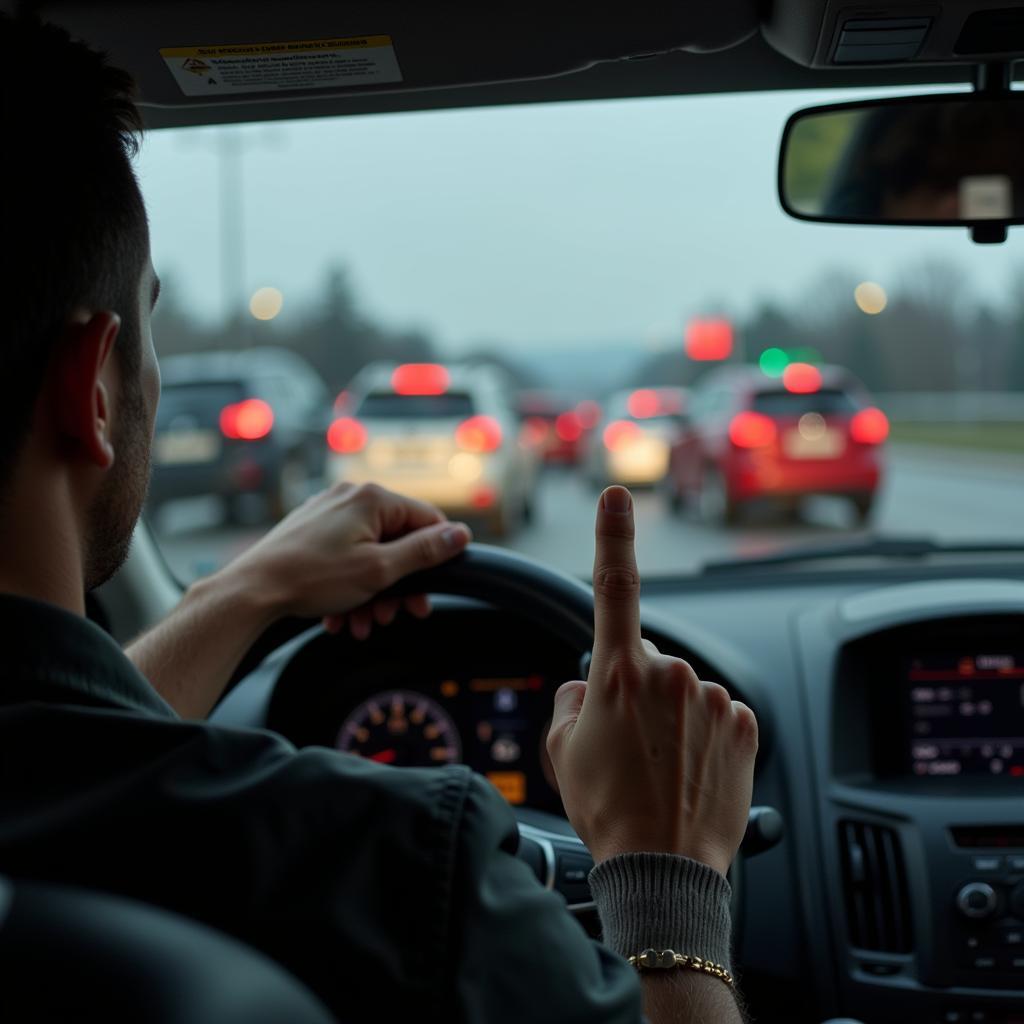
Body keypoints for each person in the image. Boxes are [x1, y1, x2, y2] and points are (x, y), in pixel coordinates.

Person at [0, 13, 758, 1024]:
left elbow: (61, 763)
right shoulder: (398, 872)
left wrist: (248, 588)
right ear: (93, 389)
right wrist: (668, 876)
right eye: (150, 321)